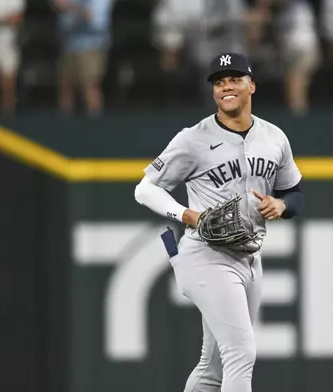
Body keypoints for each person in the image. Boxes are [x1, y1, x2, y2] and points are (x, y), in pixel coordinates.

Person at [134, 53, 305, 392]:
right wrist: (186, 214)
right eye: (218, 81)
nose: (226, 86)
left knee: (212, 368)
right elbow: (145, 189)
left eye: (234, 79)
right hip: (205, 255)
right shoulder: (193, 139)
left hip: (249, 259)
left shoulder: (274, 138)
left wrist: (282, 205)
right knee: (241, 352)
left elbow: (296, 193)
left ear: (251, 85)